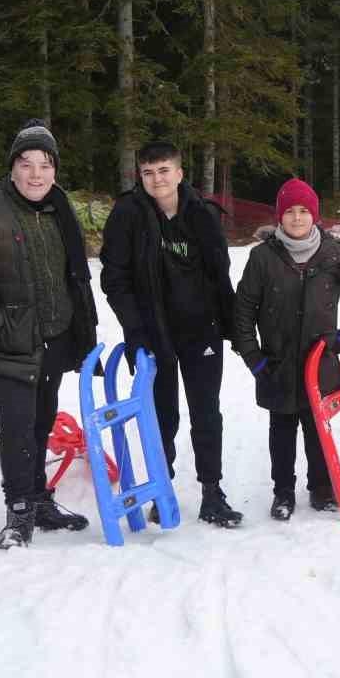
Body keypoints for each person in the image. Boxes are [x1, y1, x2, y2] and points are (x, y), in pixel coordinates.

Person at [0, 120, 99, 549]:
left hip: (54, 339)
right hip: (8, 345)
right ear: (12, 168)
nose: (36, 174)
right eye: (27, 164)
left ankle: (39, 499)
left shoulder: (58, 207)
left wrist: (78, 327)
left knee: (39, 425)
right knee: (16, 428)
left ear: (54, 170)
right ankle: (18, 512)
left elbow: (74, 274)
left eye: (45, 165)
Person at [100, 141, 242, 528]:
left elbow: (219, 273)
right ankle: (162, 492)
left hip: (201, 330)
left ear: (179, 173)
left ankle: (212, 492)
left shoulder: (202, 214)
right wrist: (136, 331)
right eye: (148, 172)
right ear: (140, 177)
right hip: (154, 333)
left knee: (206, 411)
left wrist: (230, 324)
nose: (157, 179)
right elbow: (114, 278)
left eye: (164, 170)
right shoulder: (127, 215)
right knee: (161, 415)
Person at [234, 178, 340, 520]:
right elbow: (242, 310)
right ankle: (283, 491)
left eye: (304, 211)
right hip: (276, 362)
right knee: (281, 430)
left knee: (317, 429)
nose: (297, 218)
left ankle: (321, 487)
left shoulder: (333, 254)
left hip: (320, 363)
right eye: (290, 212)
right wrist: (253, 357)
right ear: (279, 217)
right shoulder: (262, 257)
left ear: (314, 216)